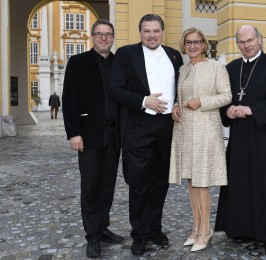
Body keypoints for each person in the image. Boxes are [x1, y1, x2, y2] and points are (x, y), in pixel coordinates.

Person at [214, 25, 266, 258]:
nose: (246, 45)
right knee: (241, 183)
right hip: (239, 138)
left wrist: (252, 109)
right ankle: (243, 228)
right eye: (241, 42)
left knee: (265, 184)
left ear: (259, 40)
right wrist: (227, 111)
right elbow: (224, 98)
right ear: (237, 44)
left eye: (250, 40)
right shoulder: (231, 68)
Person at [109, 14, 183, 256]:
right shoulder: (126, 54)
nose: (152, 35)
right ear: (140, 32)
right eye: (147, 31)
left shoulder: (174, 55)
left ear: (163, 31)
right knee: (138, 182)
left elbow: (180, 88)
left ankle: (154, 228)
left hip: (166, 127)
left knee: (160, 180)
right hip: (138, 125)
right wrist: (144, 101)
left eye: (156, 31)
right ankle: (139, 234)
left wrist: (178, 104)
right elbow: (115, 90)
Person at [62, 19, 123, 258]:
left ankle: (103, 227)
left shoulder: (121, 63)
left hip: (114, 135)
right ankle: (92, 236)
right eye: (99, 34)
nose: (104, 38)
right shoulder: (78, 62)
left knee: (107, 186)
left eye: (108, 34)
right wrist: (73, 133)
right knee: (90, 186)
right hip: (88, 136)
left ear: (113, 37)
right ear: (92, 37)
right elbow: (69, 99)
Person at [169, 27, 232, 252]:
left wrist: (201, 101)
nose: (192, 46)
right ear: (184, 46)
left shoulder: (217, 67)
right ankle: (196, 227)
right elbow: (180, 96)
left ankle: (206, 229)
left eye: (197, 42)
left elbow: (226, 96)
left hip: (206, 129)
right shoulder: (183, 69)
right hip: (184, 129)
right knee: (190, 180)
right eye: (188, 42)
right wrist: (176, 106)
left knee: (201, 181)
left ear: (204, 44)